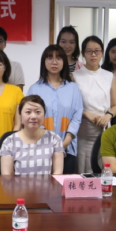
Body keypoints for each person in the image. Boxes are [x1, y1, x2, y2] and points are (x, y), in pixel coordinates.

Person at [27, 45, 83, 174]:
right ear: (44, 61)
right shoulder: (34, 89)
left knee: (64, 184)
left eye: (58, 58)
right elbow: (31, 117)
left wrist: (65, 142)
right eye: (49, 58)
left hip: (67, 148)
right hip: (40, 147)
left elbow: (77, 117)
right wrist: (47, 144)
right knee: (42, 185)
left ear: (64, 61)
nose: (54, 62)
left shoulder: (73, 88)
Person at [72, 36, 116, 173]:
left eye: (97, 51)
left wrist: (108, 116)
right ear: (83, 53)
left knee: (102, 168)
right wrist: (87, 113)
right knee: (82, 167)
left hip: (103, 129)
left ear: (102, 53)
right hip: (83, 130)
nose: (93, 55)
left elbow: (115, 105)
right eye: (89, 51)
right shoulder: (74, 76)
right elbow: (72, 107)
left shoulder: (109, 76)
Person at [0, 95, 64, 175]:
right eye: (28, 112)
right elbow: (7, 176)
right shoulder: (9, 141)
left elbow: (58, 173)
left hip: (47, 183)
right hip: (18, 183)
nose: (33, 116)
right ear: (20, 114)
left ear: (44, 114)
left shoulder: (54, 139)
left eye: (38, 112)